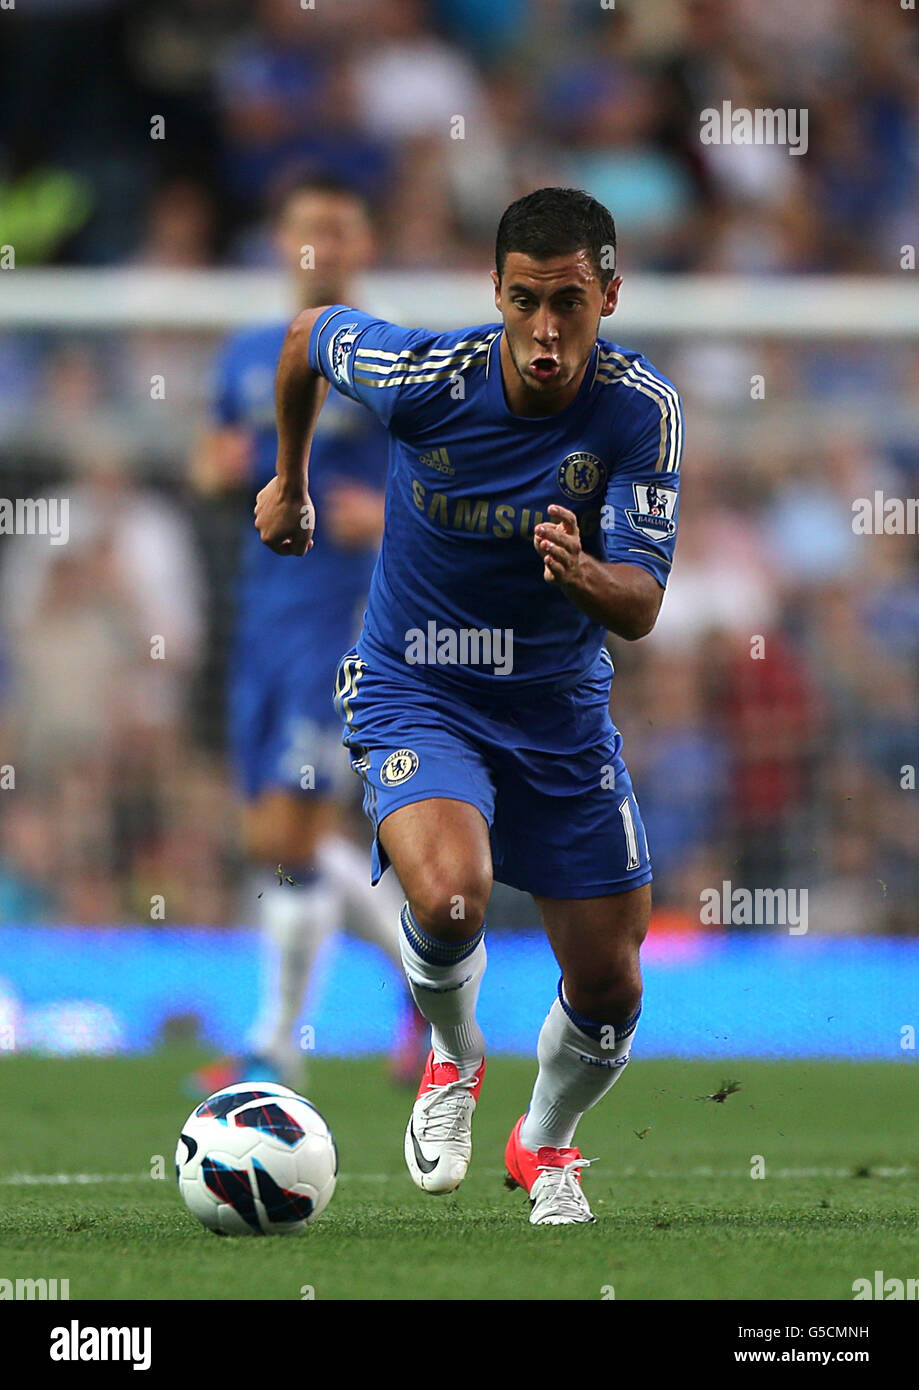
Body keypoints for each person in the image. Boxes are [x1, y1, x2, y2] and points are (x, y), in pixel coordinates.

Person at [255, 187, 684, 1224]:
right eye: (526, 300)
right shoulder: (425, 377)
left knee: (612, 986)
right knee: (452, 896)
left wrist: (582, 573)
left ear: (609, 295)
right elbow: (309, 336)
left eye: (570, 303)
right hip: (418, 683)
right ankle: (452, 1054)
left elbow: (641, 606)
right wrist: (292, 482)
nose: (546, 330)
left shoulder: (640, 412)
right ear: (493, 290)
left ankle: (544, 1142)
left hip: (558, 709)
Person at [193, 175, 422, 1092]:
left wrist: (382, 513)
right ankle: (431, 977)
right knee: (271, 838)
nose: (322, 246)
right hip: (263, 619)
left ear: (365, 244)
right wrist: (222, 472)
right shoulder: (249, 354)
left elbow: (439, 483)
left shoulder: (394, 358)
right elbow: (209, 460)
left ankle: (275, 1044)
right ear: (283, 243)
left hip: (348, 619)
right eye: (306, 230)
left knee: (295, 832)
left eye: (339, 229)